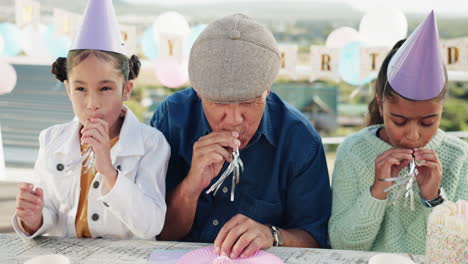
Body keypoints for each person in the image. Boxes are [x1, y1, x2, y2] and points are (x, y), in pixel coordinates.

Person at [151, 13, 331, 259]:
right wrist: (191, 186)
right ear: (199, 93)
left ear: (267, 89)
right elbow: (158, 233)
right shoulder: (172, 118)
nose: (234, 119)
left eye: (249, 102)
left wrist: (273, 235)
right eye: (219, 103)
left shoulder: (300, 140)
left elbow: (316, 239)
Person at [12, 0, 169, 240]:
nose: (91, 103)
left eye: (105, 88)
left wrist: (108, 171)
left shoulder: (151, 144)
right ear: (67, 89)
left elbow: (151, 226)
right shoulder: (51, 140)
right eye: (80, 89)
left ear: (126, 90)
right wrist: (34, 218)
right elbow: (51, 210)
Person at [329, 11, 468, 254]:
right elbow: (341, 244)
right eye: (399, 121)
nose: (413, 136)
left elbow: (460, 251)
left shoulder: (460, 158)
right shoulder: (354, 151)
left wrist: (434, 199)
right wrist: (377, 191)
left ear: (442, 111)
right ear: (381, 106)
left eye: (427, 122)